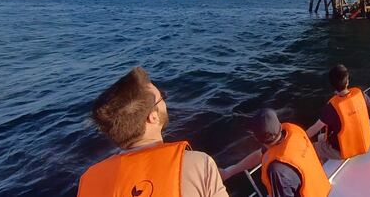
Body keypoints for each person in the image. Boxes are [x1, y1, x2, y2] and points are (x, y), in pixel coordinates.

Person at [77, 66, 228, 197]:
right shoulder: (198, 165)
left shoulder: (88, 180)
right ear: (153, 117)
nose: (165, 101)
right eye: (162, 97)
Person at [220, 108, 331, 197]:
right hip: (321, 189)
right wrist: (228, 172)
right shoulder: (294, 132)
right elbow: (260, 154)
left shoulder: (277, 169)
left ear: (258, 139)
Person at [305, 64, 370, 161]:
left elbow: (313, 130)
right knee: (321, 137)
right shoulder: (361, 95)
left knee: (313, 147)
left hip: (344, 151)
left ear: (333, 85)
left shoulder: (332, 107)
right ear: (347, 81)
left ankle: (322, 163)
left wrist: (300, 138)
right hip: (366, 143)